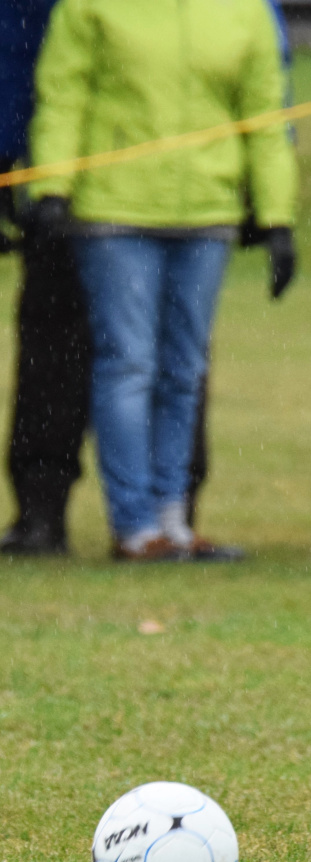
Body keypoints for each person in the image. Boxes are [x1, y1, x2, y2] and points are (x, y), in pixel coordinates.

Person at [27, 0, 298, 562]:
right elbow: (64, 93)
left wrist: (277, 215)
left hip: (206, 212)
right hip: (114, 210)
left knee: (184, 367)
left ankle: (173, 520)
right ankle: (134, 526)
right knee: (128, 361)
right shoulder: (89, 6)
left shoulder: (245, 11)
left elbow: (265, 110)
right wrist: (52, 187)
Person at [0, 0, 90, 556]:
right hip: (48, 179)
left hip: (166, 186)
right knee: (51, 348)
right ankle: (40, 508)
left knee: (164, 358)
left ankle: (162, 520)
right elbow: (12, 43)